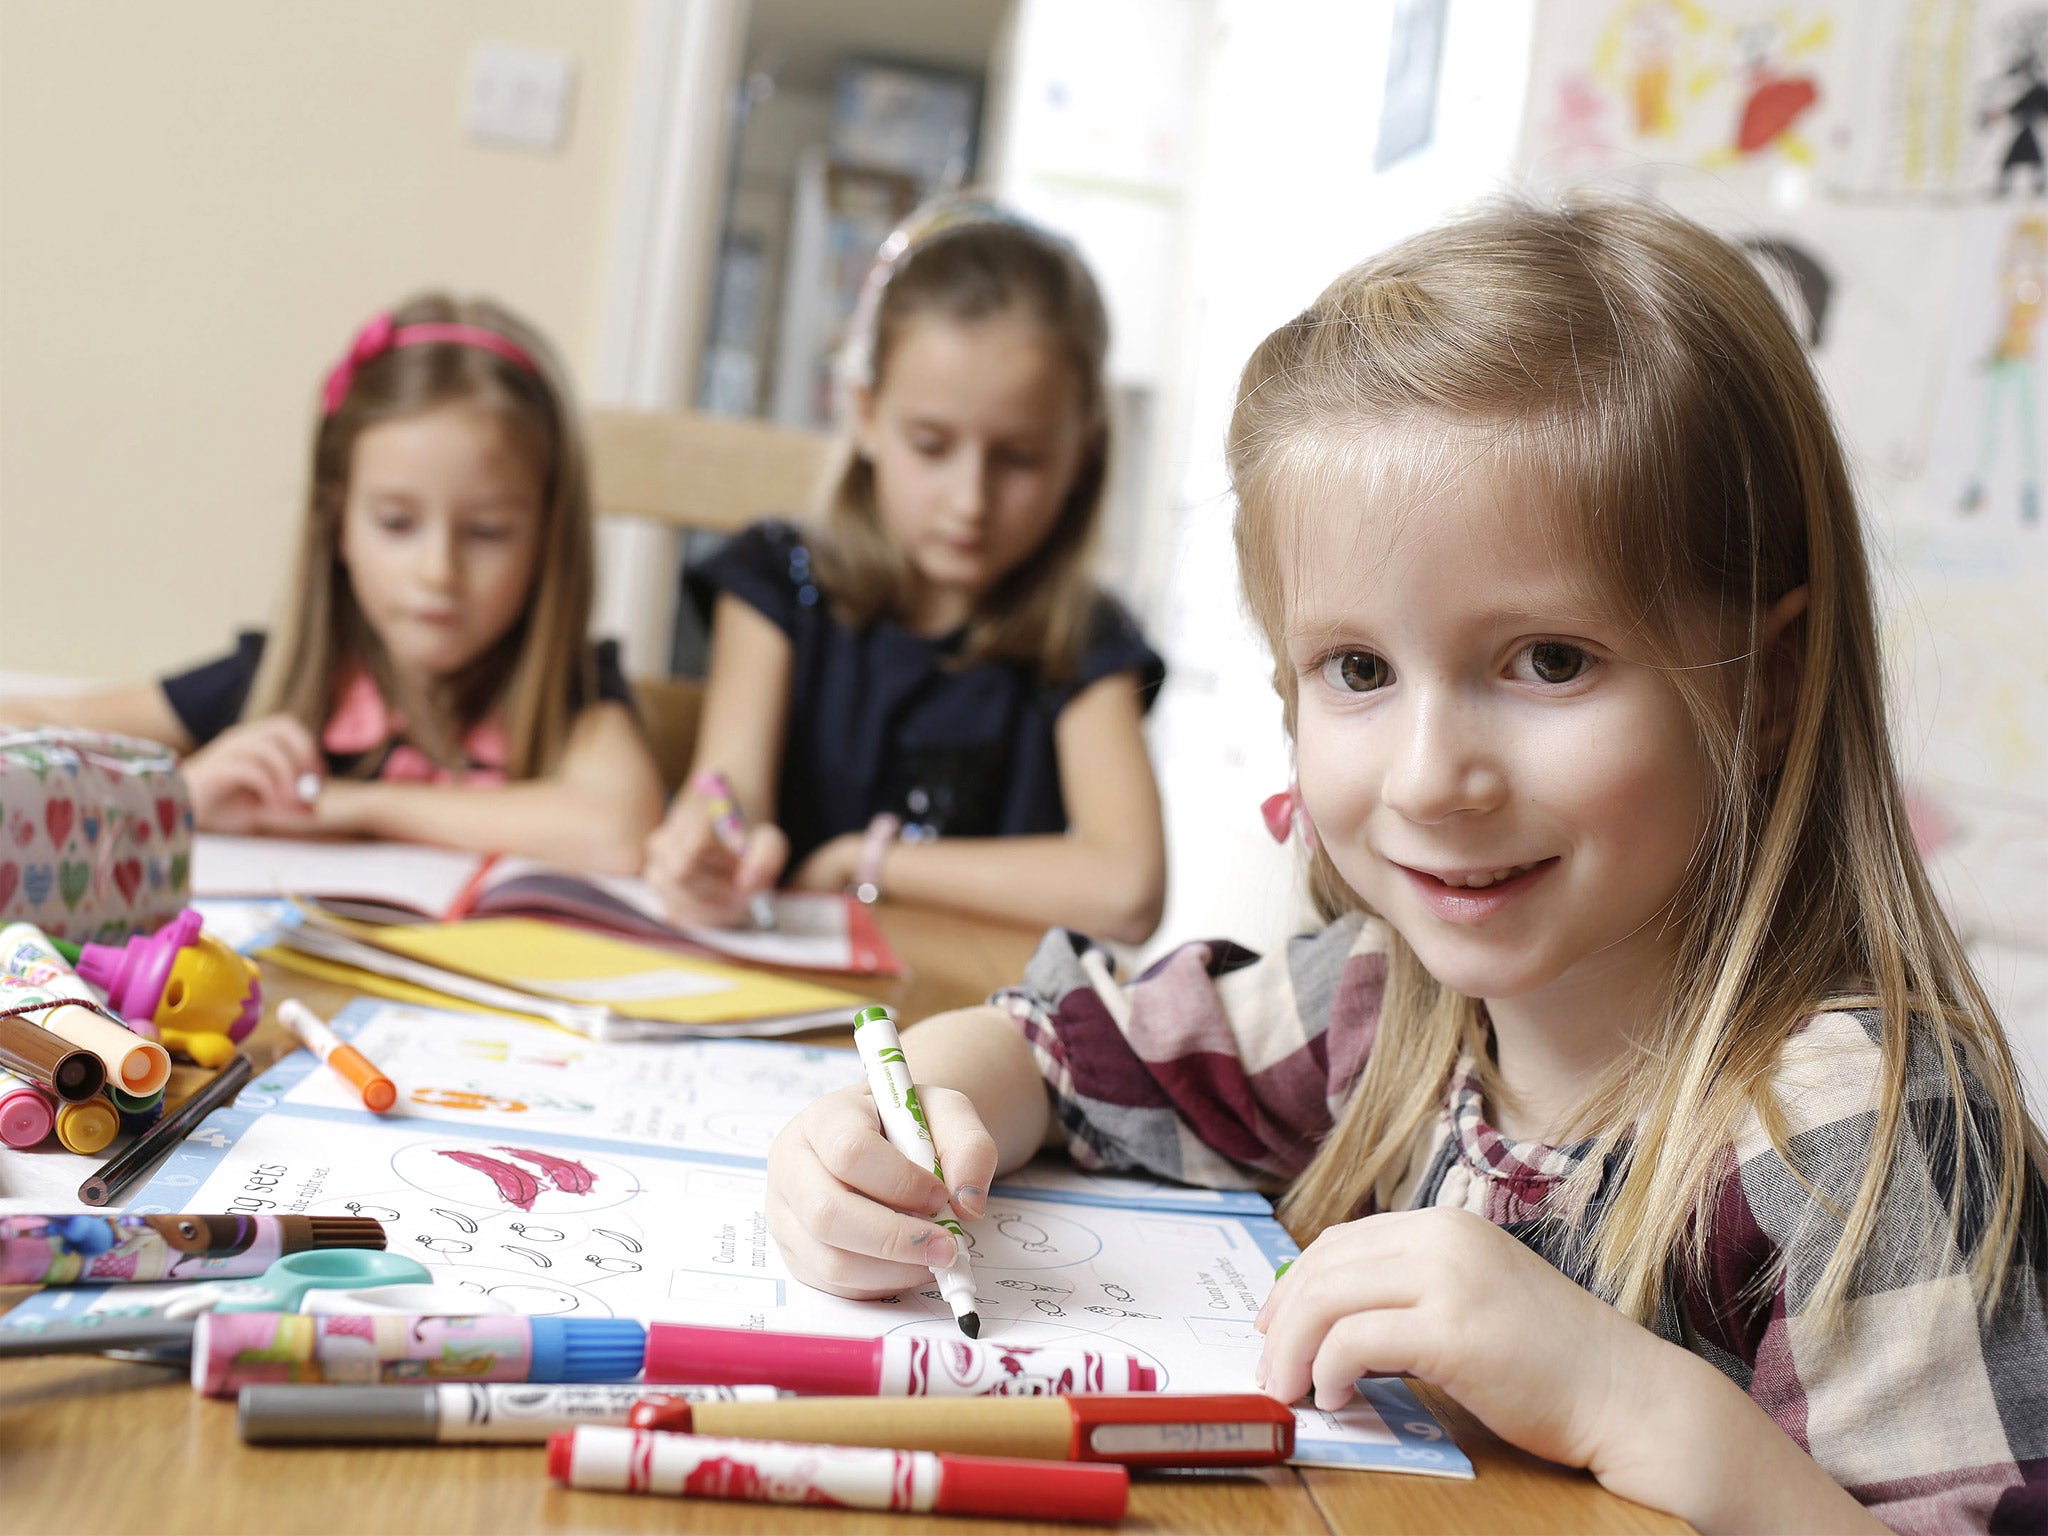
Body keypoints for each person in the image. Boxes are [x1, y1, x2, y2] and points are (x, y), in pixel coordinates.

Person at [762, 198, 2048, 1532]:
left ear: (1765, 680)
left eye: (1551, 660)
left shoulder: (1854, 1134)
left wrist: (1628, 1400)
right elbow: (1054, 1049)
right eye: (1360, 670)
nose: (1433, 776)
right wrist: (895, 1132)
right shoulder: (1392, 1011)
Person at [642, 201, 1167, 944]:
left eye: (1019, 458)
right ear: (865, 414)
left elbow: (1128, 890)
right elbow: (731, 786)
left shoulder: (1083, 638)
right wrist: (707, 838)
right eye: (929, 444)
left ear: (1081, 452)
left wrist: (866, 860)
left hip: (972, 1029)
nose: (970, 501)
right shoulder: (776, 583)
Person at [2, 296, 665, 873]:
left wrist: (349, 804)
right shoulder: (275, 684)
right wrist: (177, 795)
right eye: (397, 523)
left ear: (549, 538)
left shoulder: (574, 694)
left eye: (488, 531)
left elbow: (617, 830)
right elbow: (22, 725)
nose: (439, 572)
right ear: (336, 522)